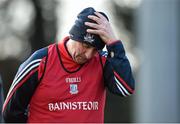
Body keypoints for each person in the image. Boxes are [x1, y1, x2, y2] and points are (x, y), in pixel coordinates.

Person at [2, 7, 135, 123]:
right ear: (74, 36)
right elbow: (11, 113)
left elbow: (125, 89)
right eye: (86, 45)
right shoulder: (40, 61)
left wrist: (114, 43)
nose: (89, 55)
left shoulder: (102, 60)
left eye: (95, 50)